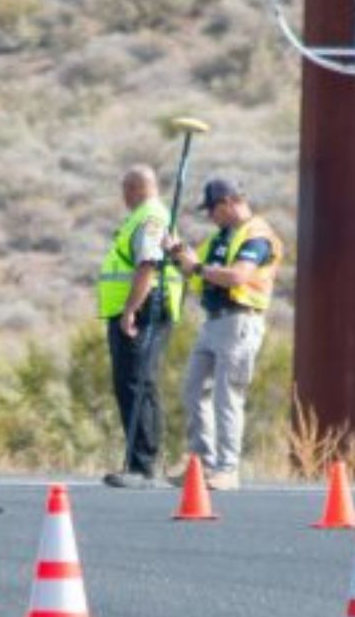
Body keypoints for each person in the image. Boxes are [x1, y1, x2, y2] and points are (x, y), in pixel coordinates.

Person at [167, 177, 283, 491]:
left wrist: (197, 269)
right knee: (193, 388)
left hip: (240, 321)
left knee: (226, 396)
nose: (210, 216)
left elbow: (237, 276)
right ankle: (200, 461)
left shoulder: (256, 236)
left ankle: (227, 468)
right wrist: (177, 252)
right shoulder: (221, 238)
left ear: (229, 202)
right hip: (213, 322)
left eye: (213, 209)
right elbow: (195, 269)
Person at [98, 164, 182, 488]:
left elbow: (148, 264)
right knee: (132, 383)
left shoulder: (149, 218)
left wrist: (130, 309)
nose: (123, 197)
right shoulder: (149, 216)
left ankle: (143, 465)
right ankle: (141, 462)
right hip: (140, 308)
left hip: (145, 309)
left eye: (124, 190)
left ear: (133, 188)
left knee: (138, 383)